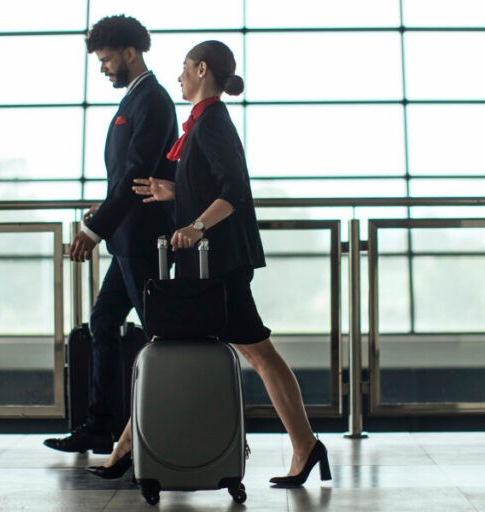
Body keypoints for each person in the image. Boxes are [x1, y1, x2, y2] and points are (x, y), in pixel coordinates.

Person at [87, 40, 331, 487]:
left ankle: (304, 445)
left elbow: (234, 189)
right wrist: (174, 192)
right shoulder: (201, 124)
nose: (178, 77)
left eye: (184, 69)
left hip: (219, 263)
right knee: (199, 347)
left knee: (247, 352)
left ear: (202, 70)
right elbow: (211, 184)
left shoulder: (213, 121)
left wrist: (196, 225)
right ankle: (125, 450)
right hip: (209, 264)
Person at [43, 15, 178, 454]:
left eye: (106, 60)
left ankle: (166, 428)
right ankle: (103, 426)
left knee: (161, 334)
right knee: (103, 322)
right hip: (127, 237)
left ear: (129, 53)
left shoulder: (153, 101)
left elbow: (139, 173)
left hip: (142, 241)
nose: (103, 69)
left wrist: (93, 228)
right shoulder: (135, 101)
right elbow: (128, 178)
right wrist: (106, 211)